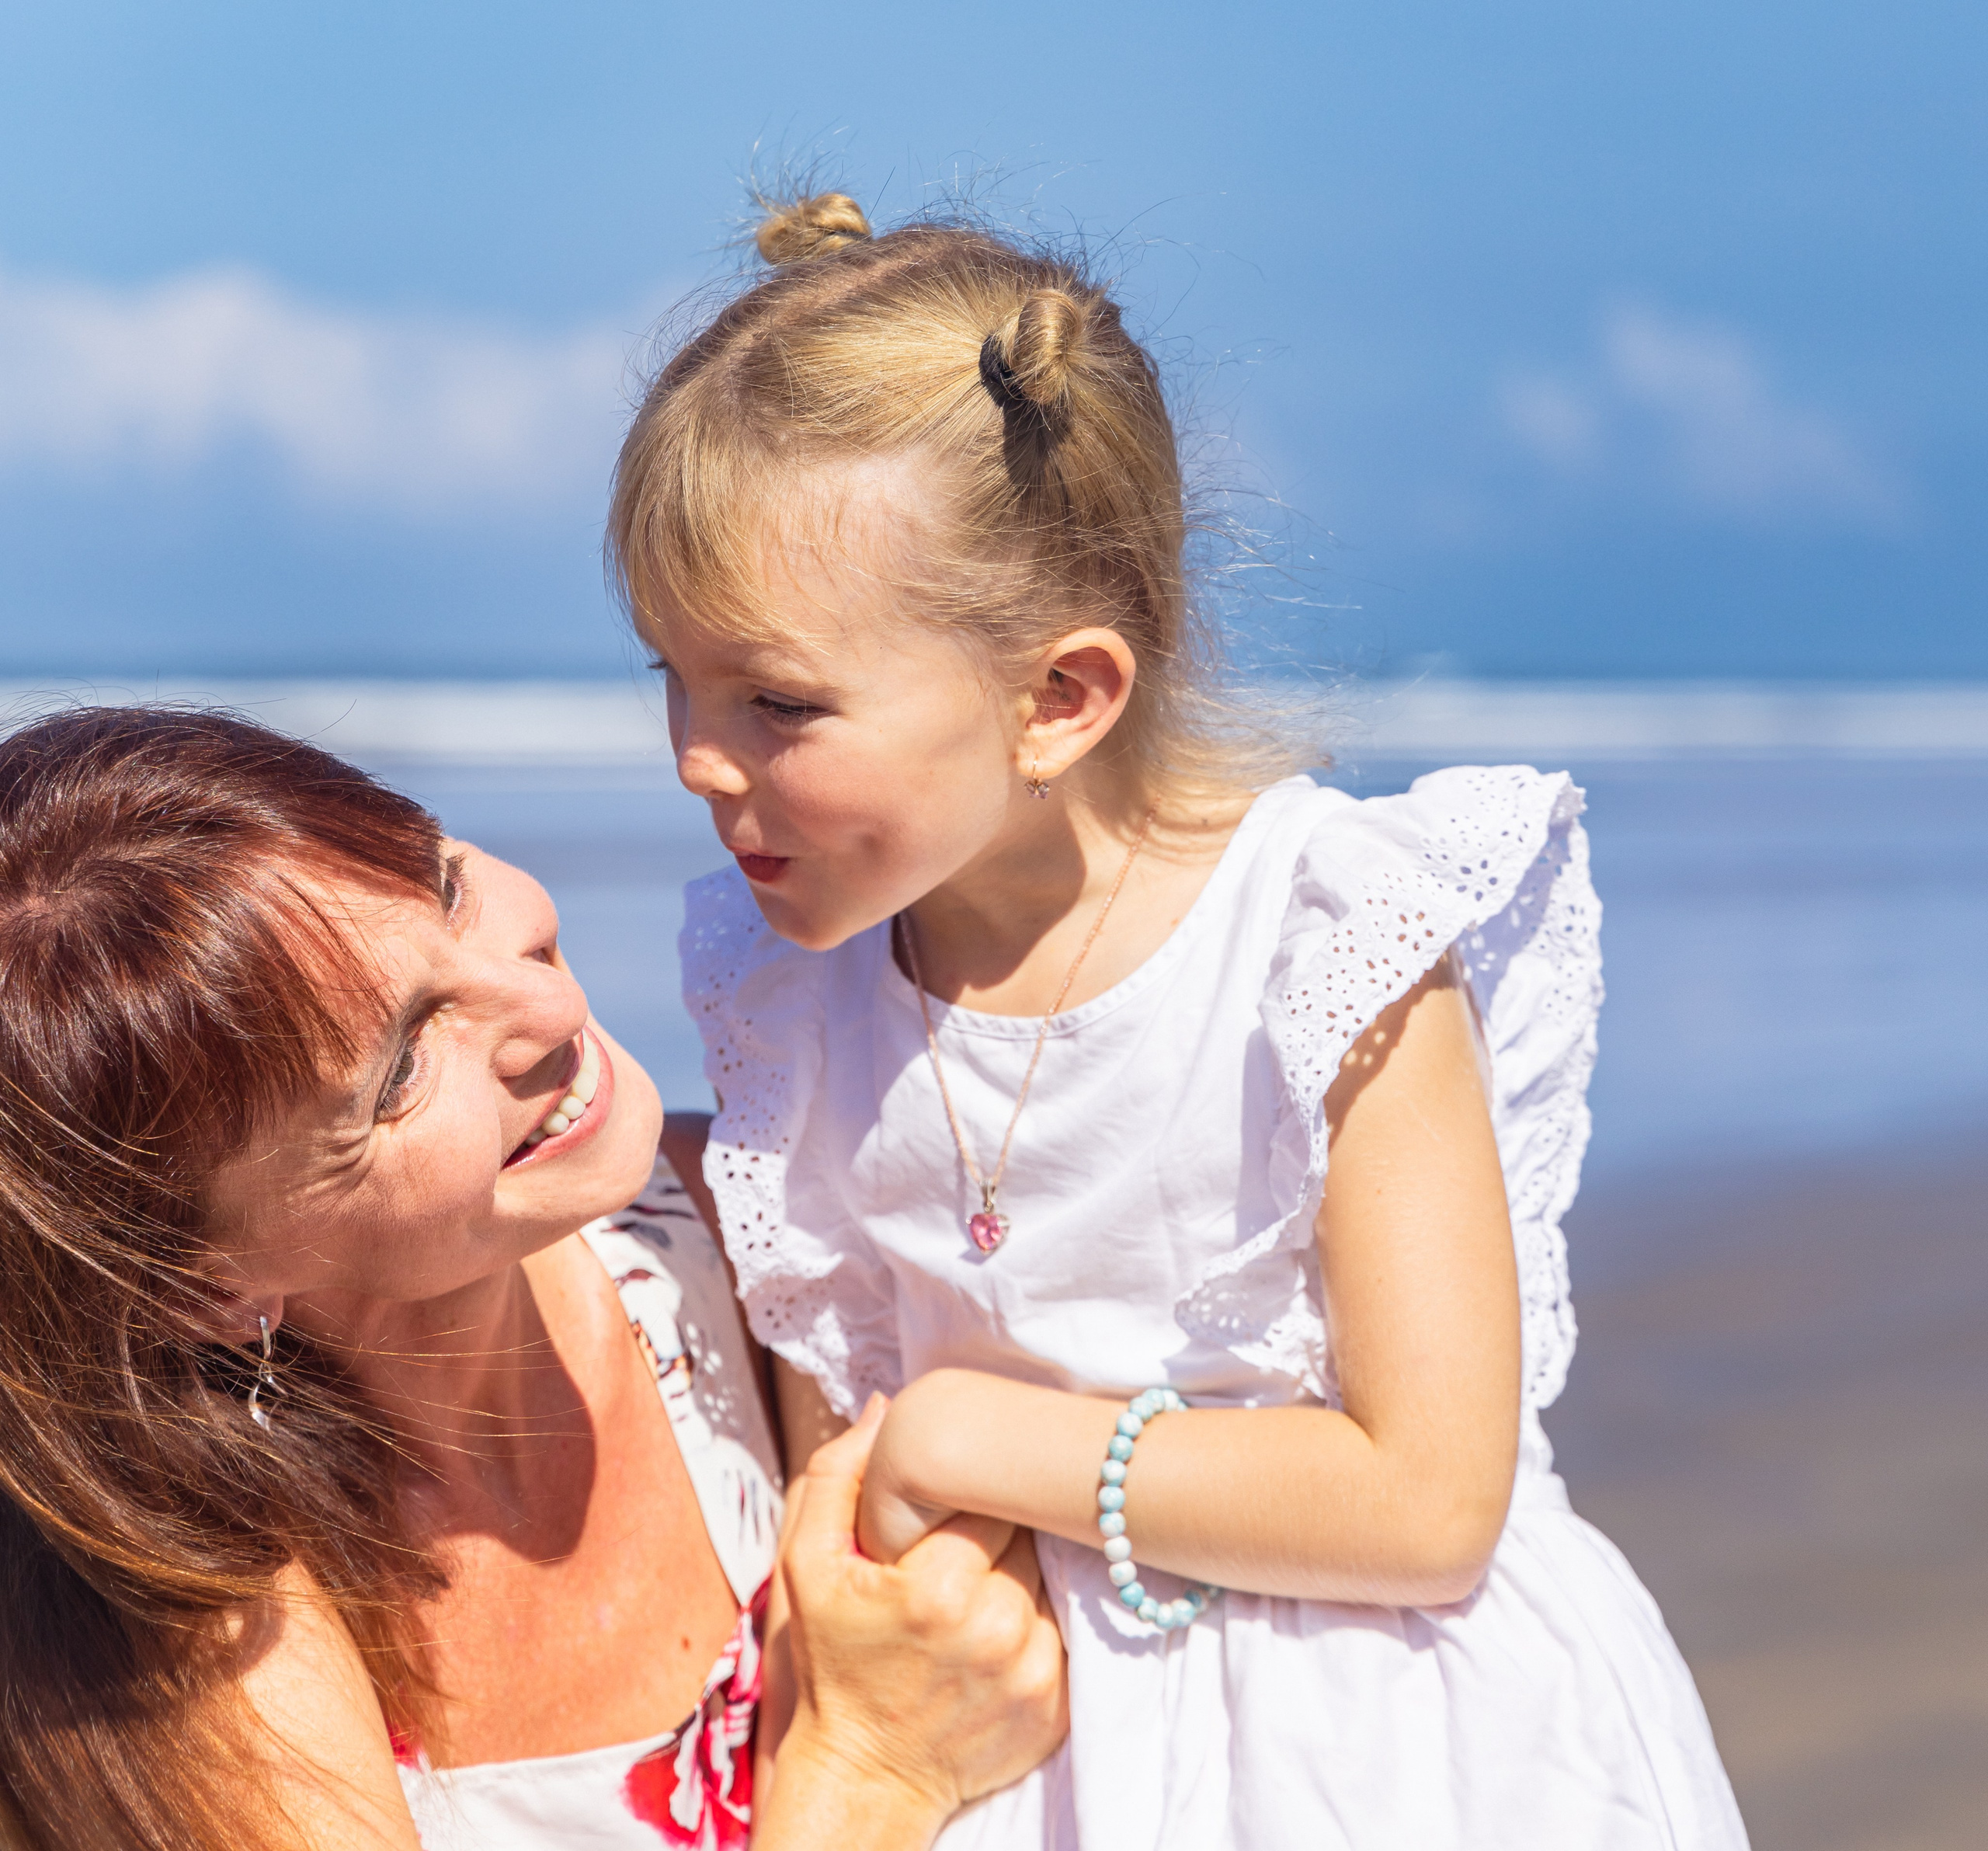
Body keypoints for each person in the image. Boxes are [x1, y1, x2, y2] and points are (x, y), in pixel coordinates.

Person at [606, 192, 1750, 1848]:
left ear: (1057, 696)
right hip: (1004, 1732)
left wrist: (970, 1428)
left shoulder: (1318, 942)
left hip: (1377, 1745)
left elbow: (1427, 1502)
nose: (701, 759)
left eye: (776, 703)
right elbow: (830, 1481)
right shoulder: (791, 987)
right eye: (671, 678)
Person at [0, 705, 1065, 1851]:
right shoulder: (190, 1623)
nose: (552, 1007)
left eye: (443, 881)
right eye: (404, 1064)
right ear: (201, 1283)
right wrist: (870, 1772)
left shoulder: (755, 1227)